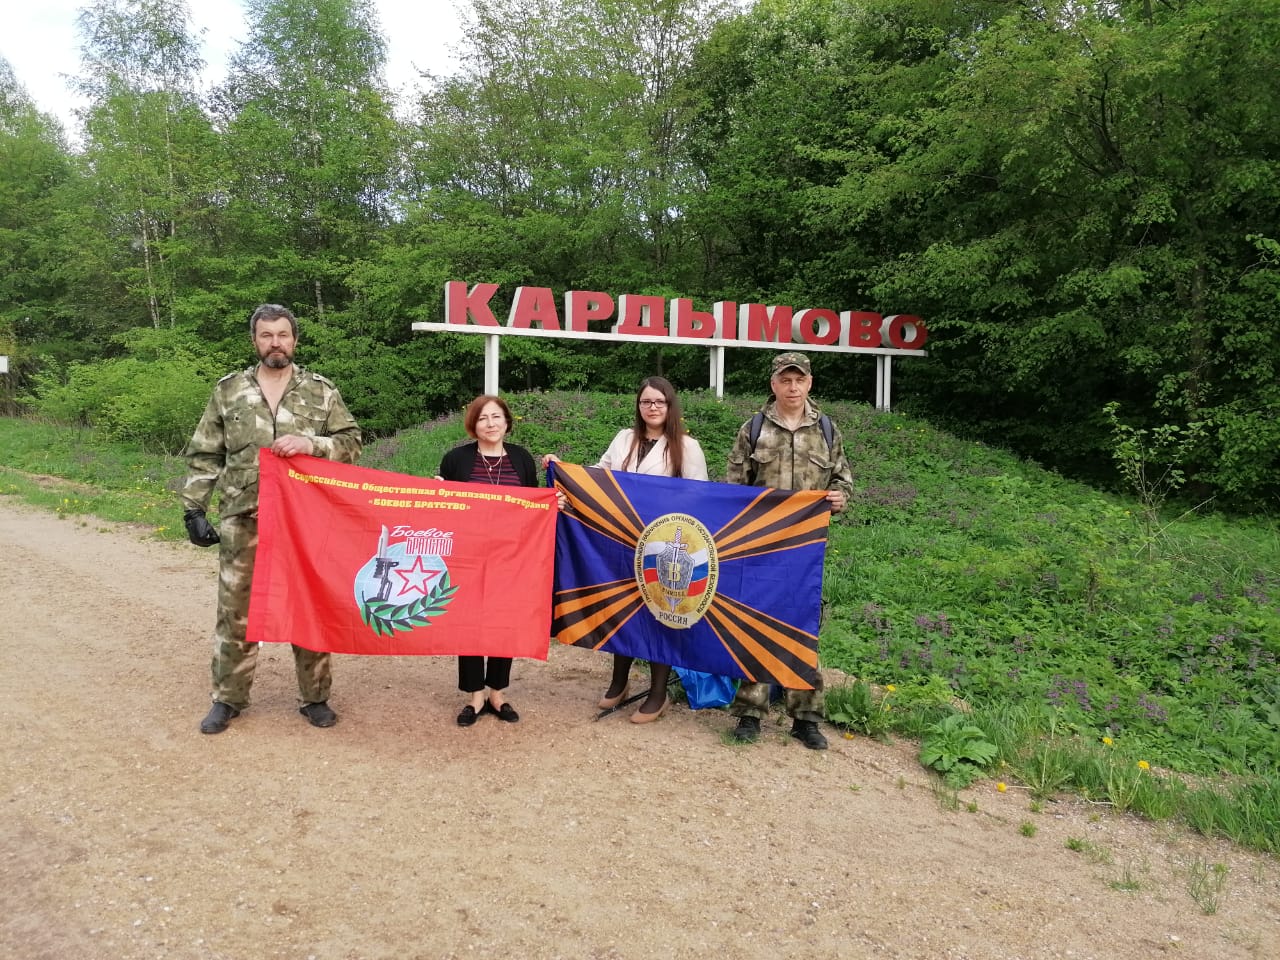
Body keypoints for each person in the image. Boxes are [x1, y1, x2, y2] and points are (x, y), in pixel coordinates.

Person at [181, 304, 362, 735]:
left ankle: (315, 697)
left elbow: (351, 441)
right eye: (266, 335)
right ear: (254, 340)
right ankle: (228, 699)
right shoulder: (229, 390)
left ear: (294, 340)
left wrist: (311, 443)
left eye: (283, 334)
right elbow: (207, 451)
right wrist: (194, 507)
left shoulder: (320, 391)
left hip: (304, 522)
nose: (275, 342)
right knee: (235, 612)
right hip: (243, 518)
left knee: (309, 607)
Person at [549, 376, 709, 722]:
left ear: (670, 406)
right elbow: (598, 478)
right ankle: (618, 680)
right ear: (638, 406)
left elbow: (701, 498)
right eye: (645, 402)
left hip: (663, 543)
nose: (652, 408)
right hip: (621, 539)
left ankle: (657, 692)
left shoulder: (687, 446)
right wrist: (563, 471)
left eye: (659, 402)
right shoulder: (624, 439)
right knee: (622, 607)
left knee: (661, 612)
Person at [724, 352, 852, 750]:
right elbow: (733, 488)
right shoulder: (754, 429)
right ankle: (750, 712)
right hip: (760, 547)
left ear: (809, 383)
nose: (792, 387)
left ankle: (805, 717)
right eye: (785, 380)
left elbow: (843, 479)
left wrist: (840, 497)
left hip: (806, 549)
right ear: (774, 384)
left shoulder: (827, 430)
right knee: (755, 620)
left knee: (801, 627)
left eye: (799, 380)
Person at [437, 394, 541, 727]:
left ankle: (497, 692)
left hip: (512, 556)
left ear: (507, 422)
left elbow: (535, 506)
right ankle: (475, 695)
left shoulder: (522, 459)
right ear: (474, 425)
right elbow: (446, 508)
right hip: (468, 556)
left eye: (496, 417)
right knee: (469, 622)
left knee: (503, 622)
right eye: (483, 418)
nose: (491, 423)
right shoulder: (456, 460)